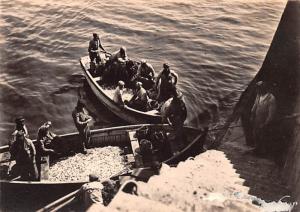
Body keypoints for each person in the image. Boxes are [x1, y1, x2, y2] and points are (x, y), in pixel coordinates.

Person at [250, 81, 276, 155]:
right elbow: (255, 105)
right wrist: (252, 115)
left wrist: (265, 124)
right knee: (255, 134)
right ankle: (256, 149)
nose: (257, 90)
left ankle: (262, 152)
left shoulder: (271, 98)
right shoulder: (259, 95)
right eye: (257, 89)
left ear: (264, 88)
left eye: (259, 89)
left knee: (263, 136)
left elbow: (271, 114)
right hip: (257, 119)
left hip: (265, 121)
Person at [161, 87, 187, 154]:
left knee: (179, 133)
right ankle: (177, 148)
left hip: (178, 120)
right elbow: (165, 116)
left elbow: (184, 112)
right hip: (176, 120)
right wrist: (169, 123)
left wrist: (182, 120)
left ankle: (180, 145)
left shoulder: (180, 103)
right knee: (176, 134)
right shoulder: (172, 105)